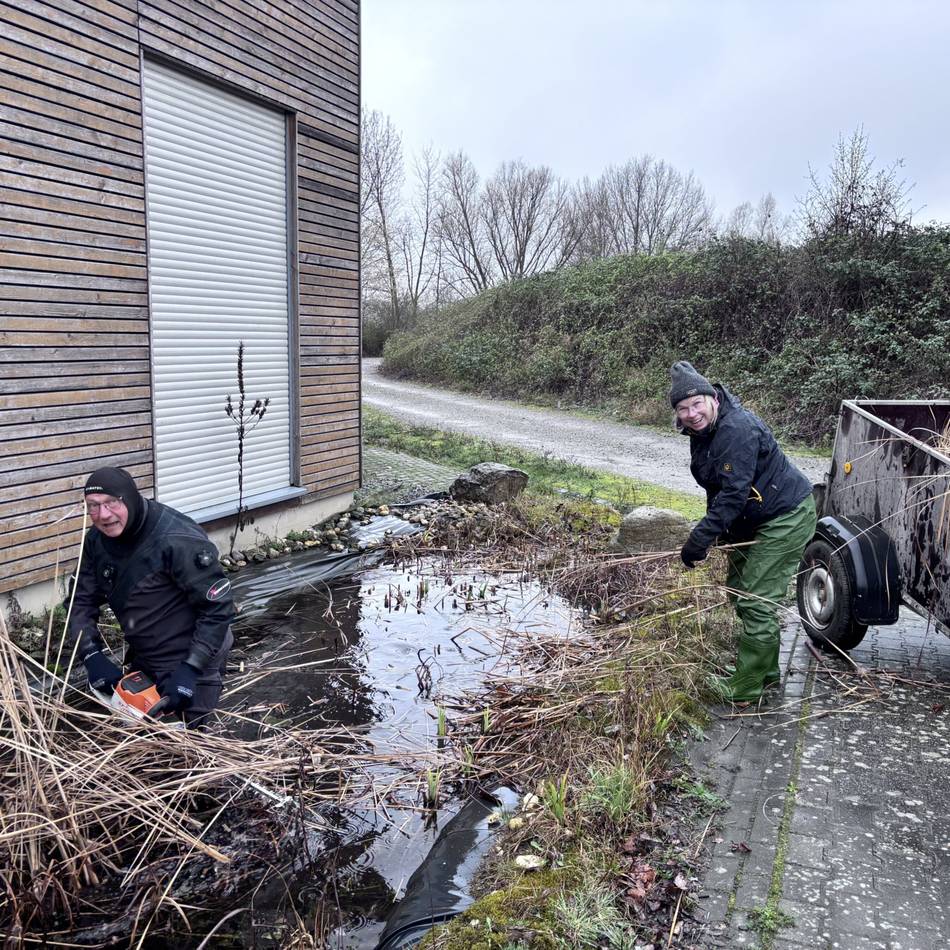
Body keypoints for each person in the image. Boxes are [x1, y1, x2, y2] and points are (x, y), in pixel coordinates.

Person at [670, 361, 817, 704]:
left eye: (696, 404)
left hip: (785, 517)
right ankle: (766, 672)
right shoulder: (702, 433)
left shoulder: (736, 429)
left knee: (755, 600)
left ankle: (746, 686)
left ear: (713, 399)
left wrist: (700, 538)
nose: (691, 413)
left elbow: (734, 493)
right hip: (754, 519)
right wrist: (719, 533)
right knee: (738, 590)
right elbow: (716, 488)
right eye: (683, 408)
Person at [68, 467, 235, 727]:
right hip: (147, 649)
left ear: (131, 499)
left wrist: (191, 669)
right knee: (147, 734)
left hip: (194, 649)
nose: (103, 515)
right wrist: (92, 657)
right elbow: (80, 601)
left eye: (112, 503)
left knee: (192, 741)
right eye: (93, 506)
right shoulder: (96, 541)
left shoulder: (176, 538)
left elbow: (218, 609)